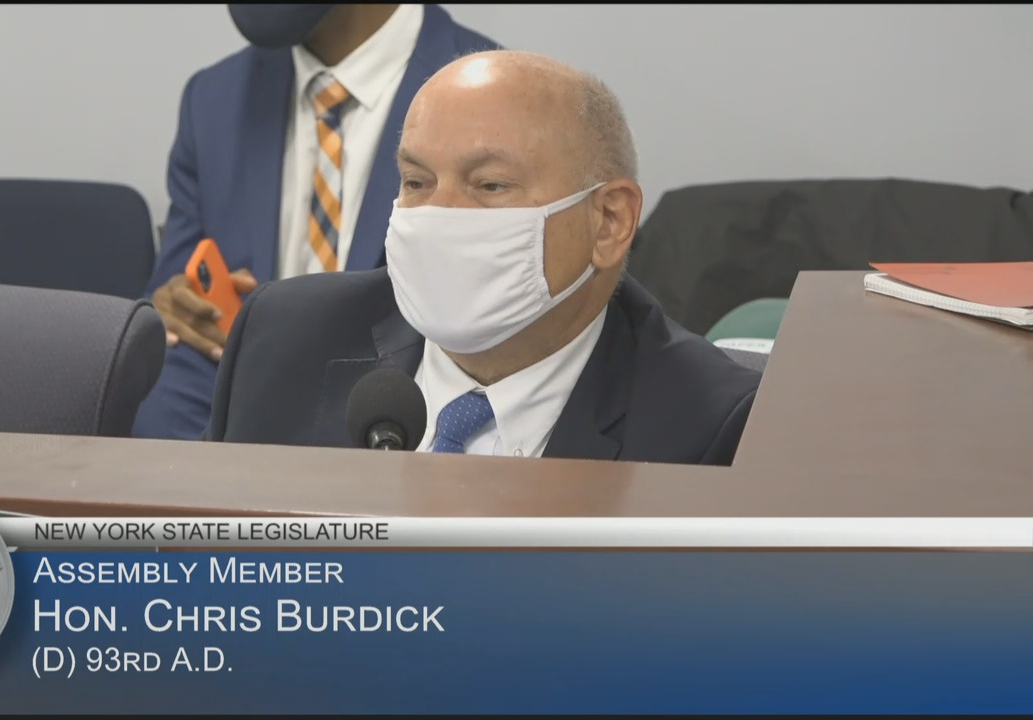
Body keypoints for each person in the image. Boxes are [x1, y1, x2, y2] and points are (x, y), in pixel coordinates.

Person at [203, 50, 763, 466]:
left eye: (490, 185)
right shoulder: (282, 339)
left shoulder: (712, 425)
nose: (440, 215)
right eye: (417, 181)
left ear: (610, 221)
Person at [132, 4, 500, 440]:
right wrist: (175, 308)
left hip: (395, 423)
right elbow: (173, 306)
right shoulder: (214, 99)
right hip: (235, 429)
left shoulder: (495, 97)